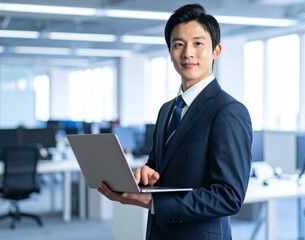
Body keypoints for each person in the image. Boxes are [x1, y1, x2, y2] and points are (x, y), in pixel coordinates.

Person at [98, 3, 252, 240]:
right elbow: (158, 168)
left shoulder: (229, 111)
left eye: (198, 44)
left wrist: (156, 202)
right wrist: (145, 175)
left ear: (216, 51)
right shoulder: (167, 110)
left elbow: (228, 197)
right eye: (178, 44)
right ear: (170, 52)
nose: (187, 52)